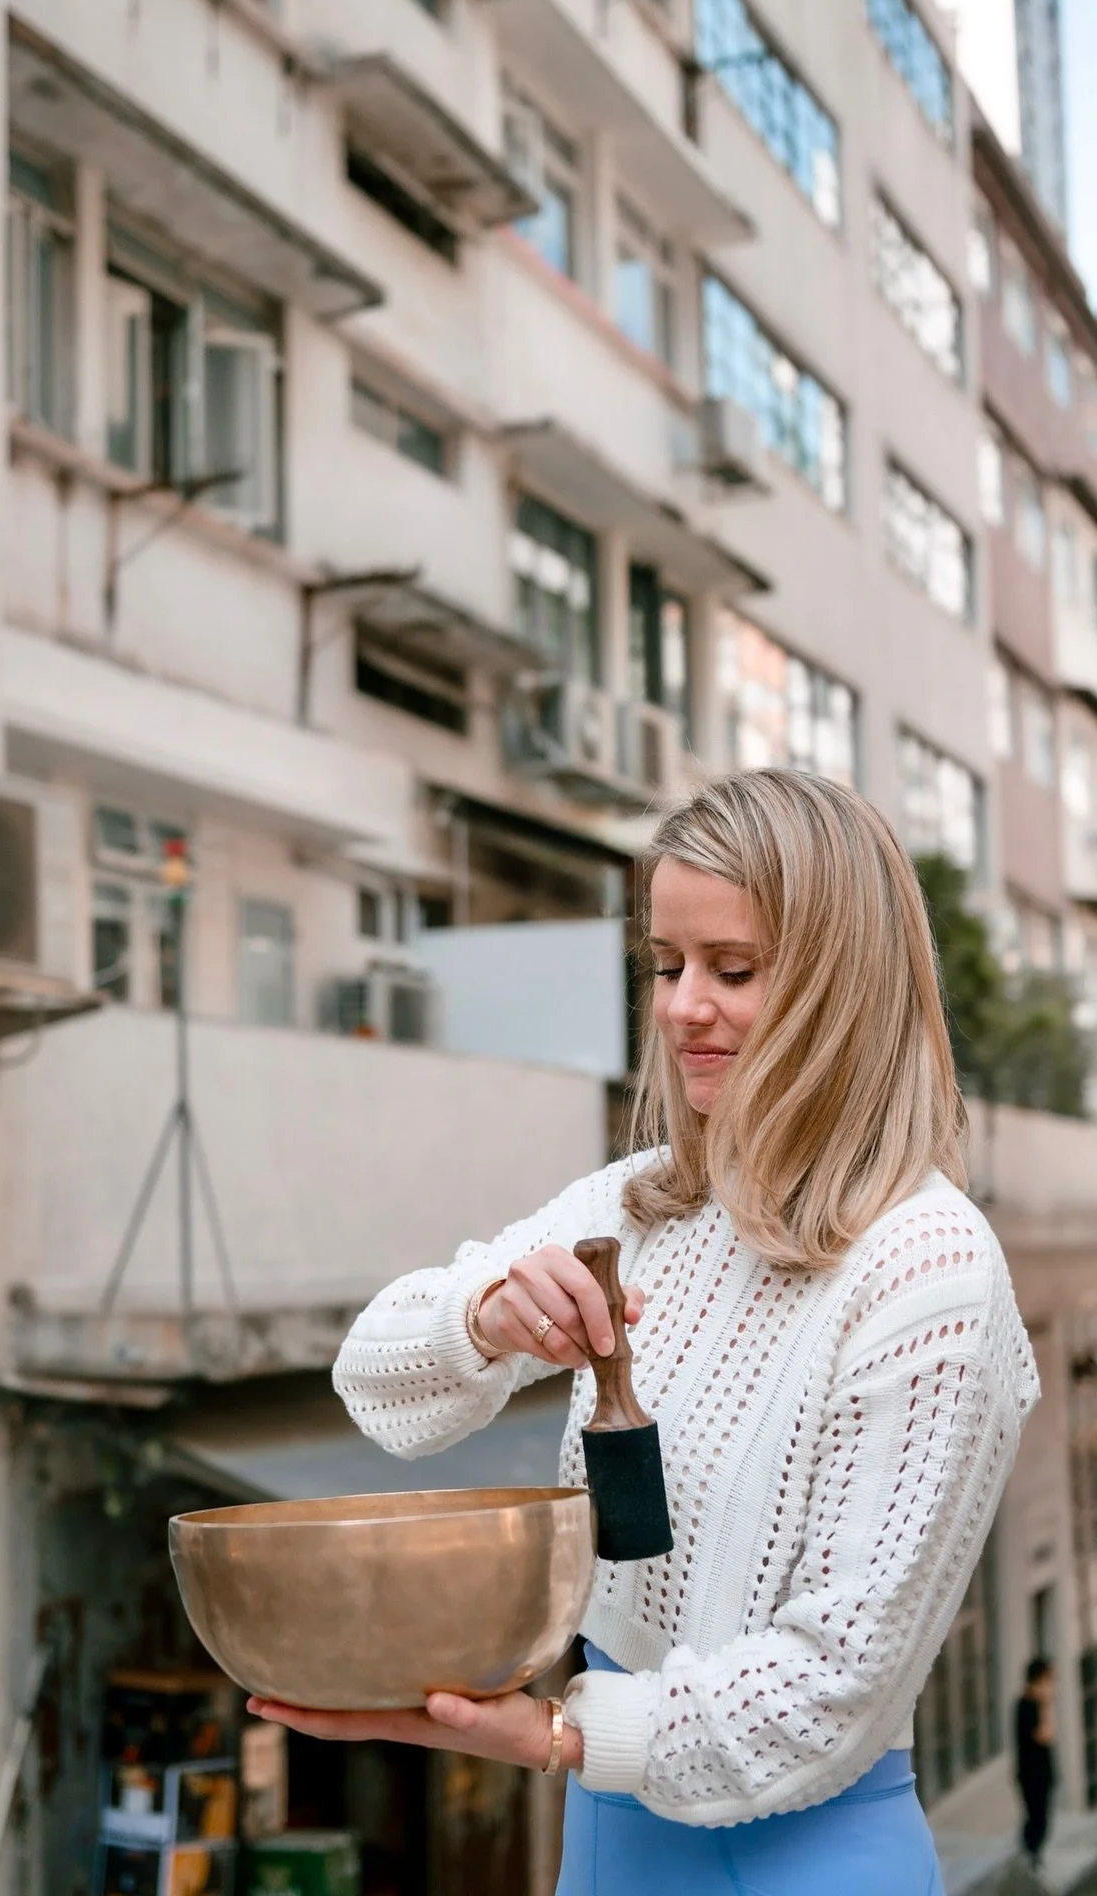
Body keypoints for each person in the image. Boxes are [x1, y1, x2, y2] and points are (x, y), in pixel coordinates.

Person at [247, 769, 1040, 1896]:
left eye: (735, 970)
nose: (680, 1009)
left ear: (842, 986)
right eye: (667, 966)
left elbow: (831, 1693)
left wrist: (554, 1736)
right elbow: (374, 1384)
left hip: (809, 1852)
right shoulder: (641, 1207)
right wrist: (483, 1318)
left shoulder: (929, 1269)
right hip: (613, 1833)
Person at [1015, 1657, 1057, 1873]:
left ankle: (1030, 1857)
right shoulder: (1027, 1705)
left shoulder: (1032, 1704)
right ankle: (1029, 1857)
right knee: (1036, 1818)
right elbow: (1044, 1735)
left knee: (1040, 1816)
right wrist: (1047, 1705)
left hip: (1041, 1772)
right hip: (1032, 1774)